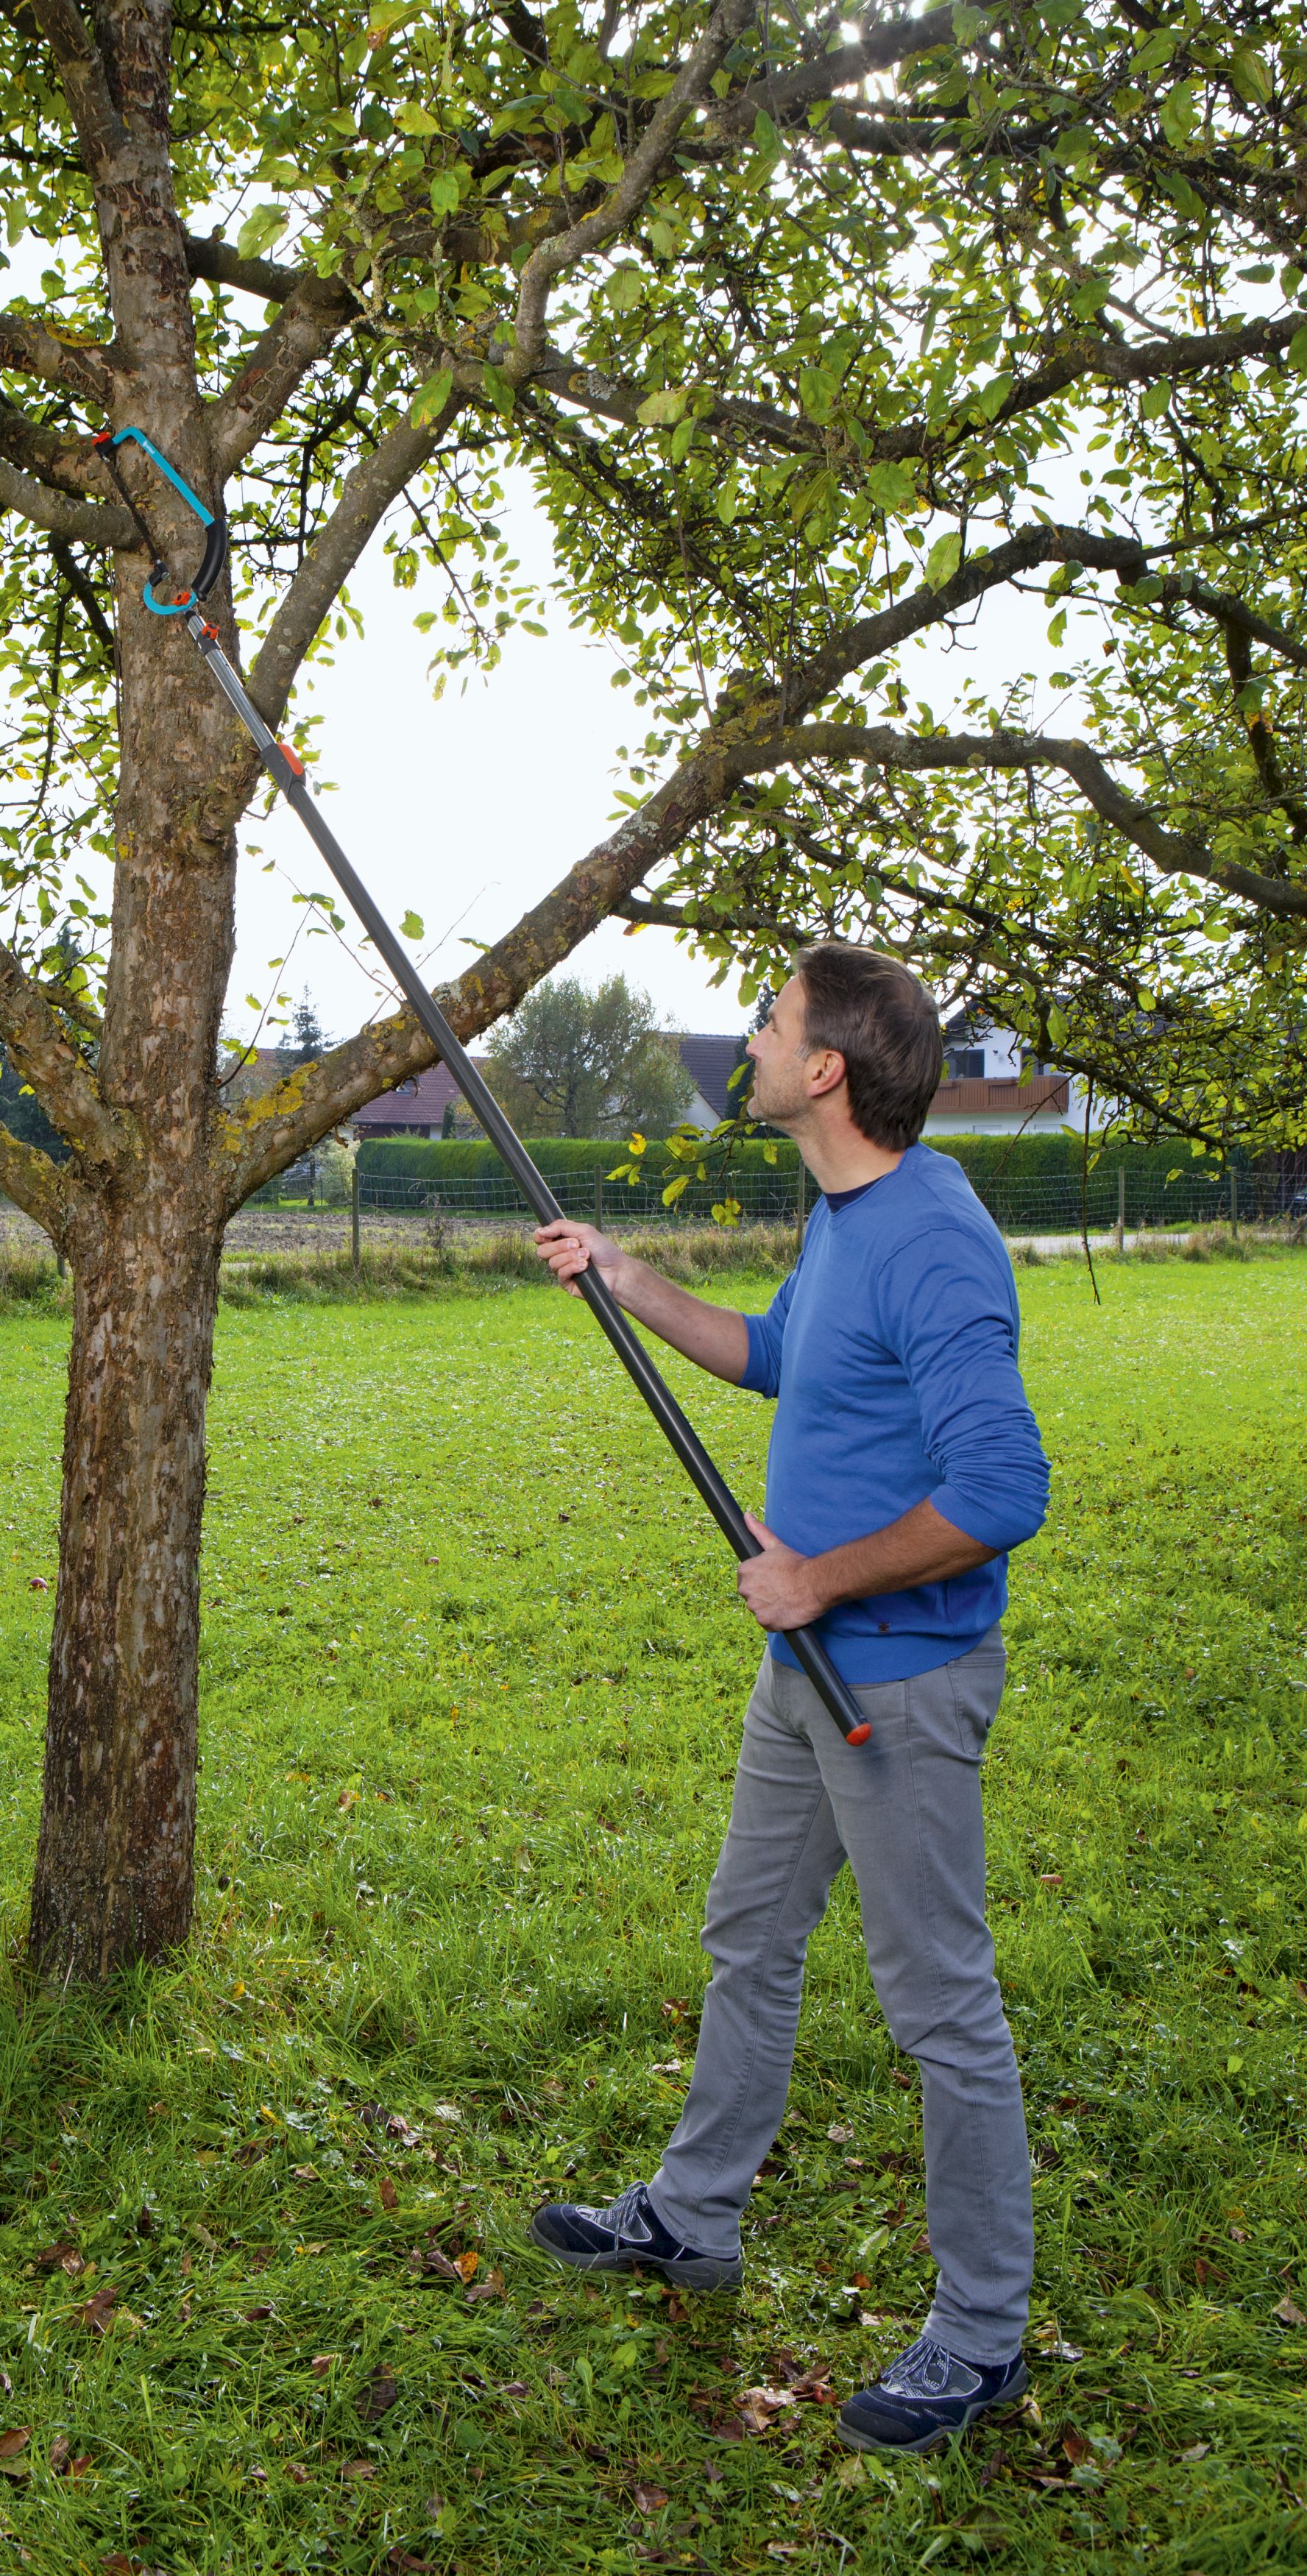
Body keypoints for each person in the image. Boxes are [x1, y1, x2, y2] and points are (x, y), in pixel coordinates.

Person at [528, 946, 1049, 2458]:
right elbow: (777, 1359)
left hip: (898, 1677)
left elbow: (1003, 1490)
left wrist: (817, 1579)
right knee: (749, 1933)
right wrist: (623, 1274)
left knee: (940, 2003)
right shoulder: (844, 1214)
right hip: (803, 1672)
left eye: (768, 1022)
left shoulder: (933, 1238)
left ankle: (983, 2334)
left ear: (825, 1069)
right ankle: (692, 2216)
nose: (749, 1039)